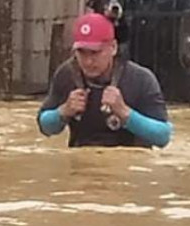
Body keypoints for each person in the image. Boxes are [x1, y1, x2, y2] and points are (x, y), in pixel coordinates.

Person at [37, 12, 173, 148]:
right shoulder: (67, 74)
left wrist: (125, 113)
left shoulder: (141, 79)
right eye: (81, 52)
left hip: (129, 164)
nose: (88, 61)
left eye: (95, 52)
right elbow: (44, 126)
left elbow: (163, 137)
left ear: (113, 47)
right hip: (82, 161)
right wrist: (63, 112)